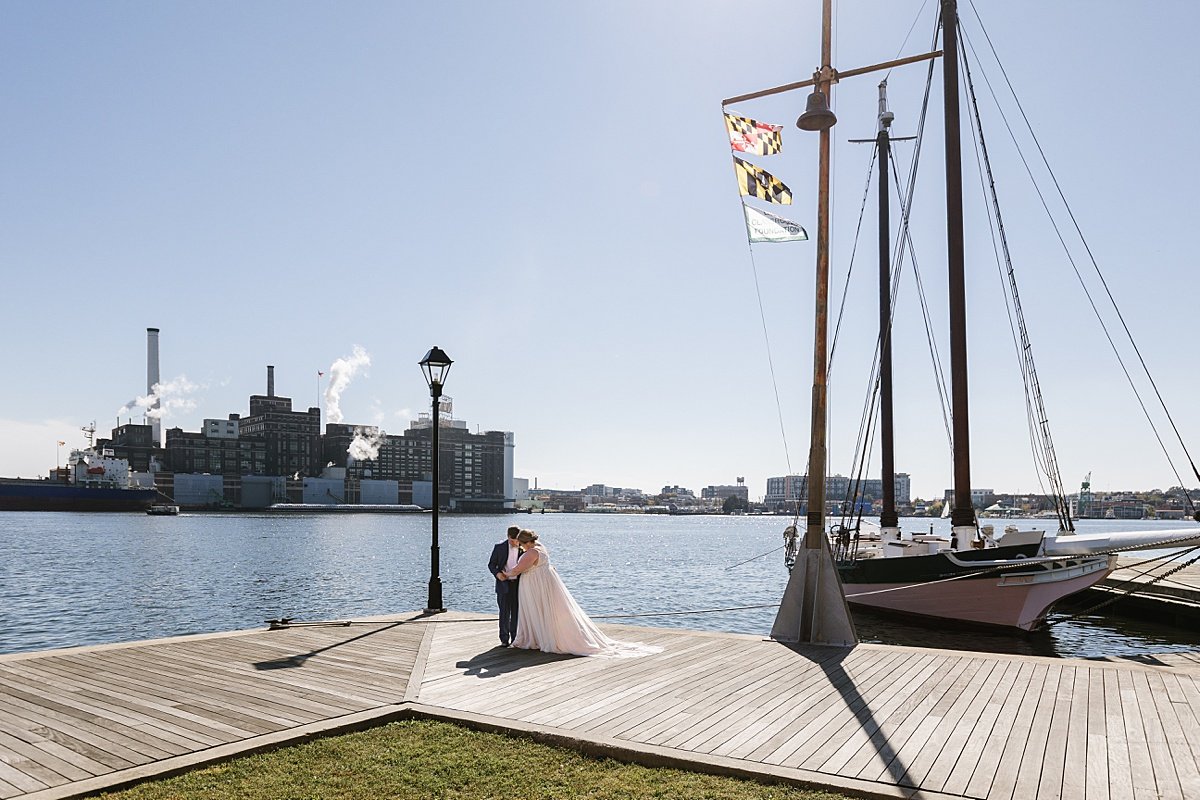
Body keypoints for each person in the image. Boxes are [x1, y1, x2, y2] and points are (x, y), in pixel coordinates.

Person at [497, 529, 660, 658]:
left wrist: (505, 574)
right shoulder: (541, 547)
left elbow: (519, 569)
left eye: (522, 544)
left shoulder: (531, 552)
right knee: (546, 610)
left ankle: (538, 638)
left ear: (526, 542)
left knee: (536, 609)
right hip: (543, 582)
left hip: (535, 585)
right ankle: (540, 636)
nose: (521, 547)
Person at [487, 525, 522, 647]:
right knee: (504, 612)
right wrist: (497, 574)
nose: (515, 543)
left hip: (518, 585)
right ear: (508, 537)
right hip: (503, 584)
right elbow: (491, 564)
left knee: (517, 612)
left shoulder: (524, 548)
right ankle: (504, 639)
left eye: (517, 540)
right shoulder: (499, 548)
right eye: (513, 540)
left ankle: (515, 638)